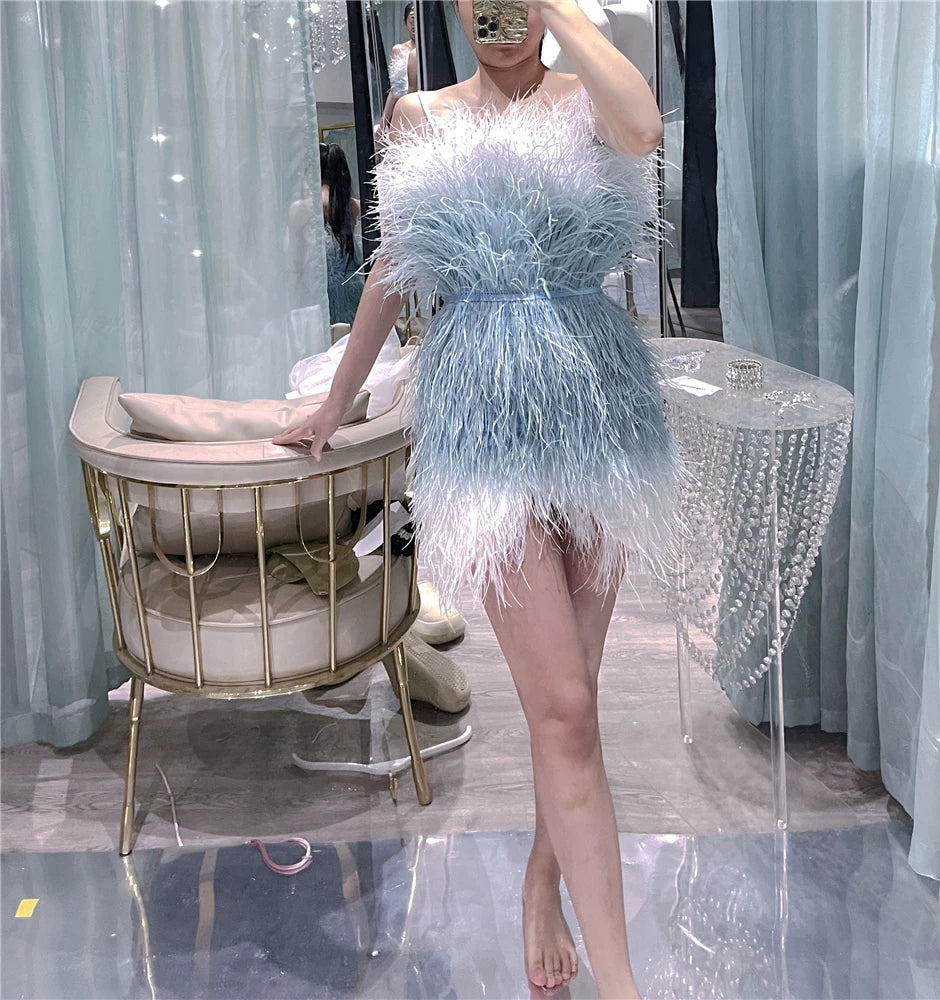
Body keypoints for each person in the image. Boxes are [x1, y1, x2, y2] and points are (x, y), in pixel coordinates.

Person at [274, 3, 678, 997]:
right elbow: (394, 266)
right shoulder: (422, 115)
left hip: (601, 402)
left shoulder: (585, 100)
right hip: (483, 413)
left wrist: (563, 15)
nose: (499, 19)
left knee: (574, 704)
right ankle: (623, 985)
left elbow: (644, 129)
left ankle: (543, 880)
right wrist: (337, 399)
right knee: (563, 704)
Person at [320, 142, 364, 326]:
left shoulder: (305, 208)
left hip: (324, 296)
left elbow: (297, 267)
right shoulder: (357, 207)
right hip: (357, 295)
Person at [377, 3, 418, 140]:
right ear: (405, 22)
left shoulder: (430, 50)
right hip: (403, 107)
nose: (414, 25)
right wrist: (383, 124)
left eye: (417, 19)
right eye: (411, 20)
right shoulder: (398, 50)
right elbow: (395, 90)